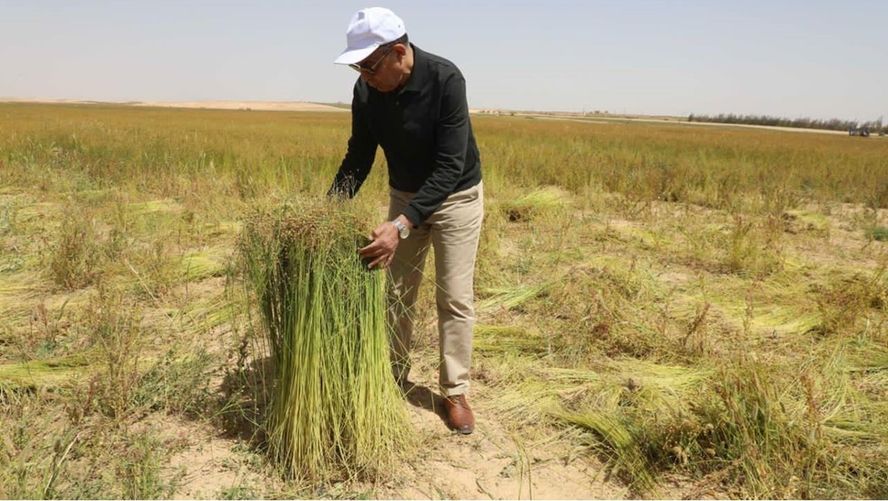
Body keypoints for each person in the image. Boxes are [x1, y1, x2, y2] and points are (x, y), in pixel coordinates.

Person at [328, 7, 483, 435]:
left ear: (398, 52)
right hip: (405, 195)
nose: (364, 76)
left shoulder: (446, 79)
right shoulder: (366, 91)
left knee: (454, 296)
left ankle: (455, 392)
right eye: (358, 68)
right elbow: (359, 155)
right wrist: (329, 210)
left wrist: (400, 226)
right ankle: (391, 373)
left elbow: (450, 166)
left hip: (456, 198)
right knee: (396, 292)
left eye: (369, 66)